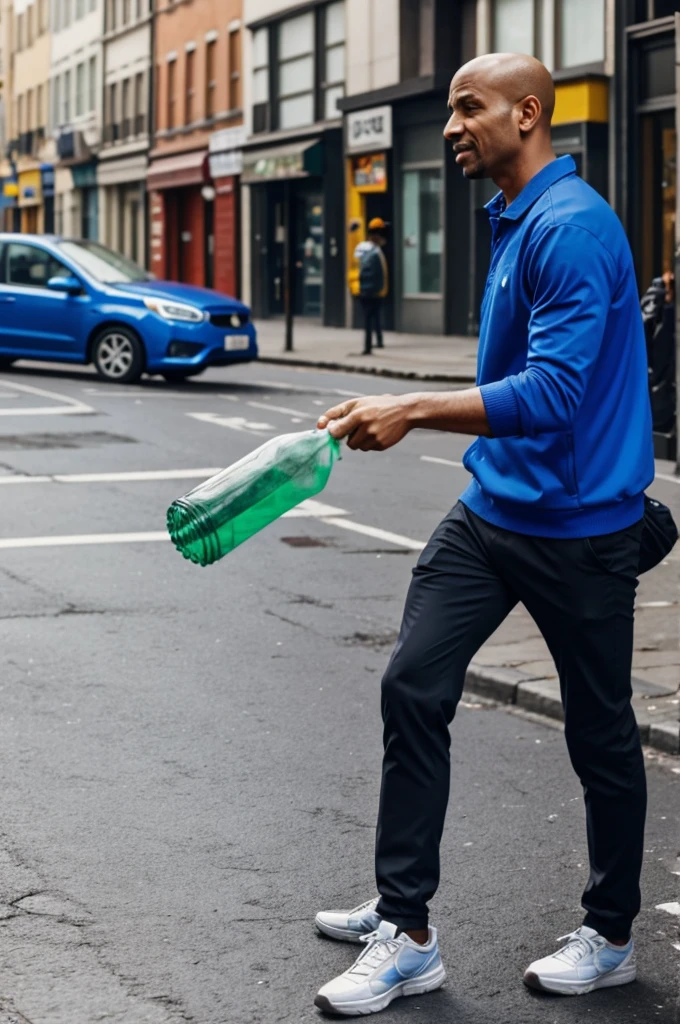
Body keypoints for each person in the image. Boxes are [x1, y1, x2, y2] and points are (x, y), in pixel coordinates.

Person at [312, 52, 655, 1017]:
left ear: (528, 114)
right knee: (412, 684)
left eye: (471, 108)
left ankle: (614, 932)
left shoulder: (573, 229)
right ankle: (405, 927)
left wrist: (413, 407)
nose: (455, 124)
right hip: (491, 512)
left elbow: (554, 394)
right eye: (454, 108)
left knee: (601, 736)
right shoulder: (512, 220)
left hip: (583, 528)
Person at [355, 218, 389, 354]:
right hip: (372, 292)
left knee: (373, 318)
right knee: (372, 318)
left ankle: (375, 343)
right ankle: (370, 345)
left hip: (371, 291)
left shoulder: (372, 251)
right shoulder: (372, 253)